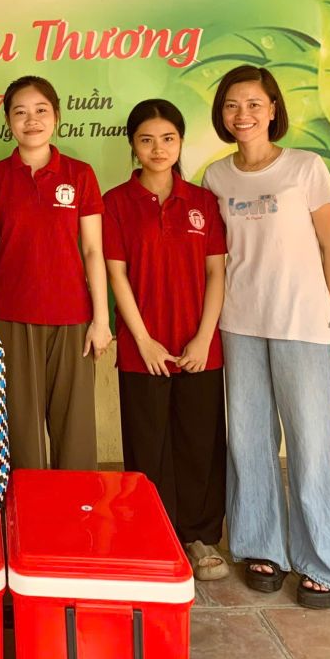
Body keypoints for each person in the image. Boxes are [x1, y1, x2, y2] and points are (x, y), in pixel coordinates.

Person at [202, 65, 330, 609]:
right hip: (241, 325)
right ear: (222, 115)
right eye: (231, 105)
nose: (242, 114)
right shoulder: (215, 178)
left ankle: (324, 564)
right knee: (248, 442)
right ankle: (261, 547)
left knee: (313, 447)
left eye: (253, 104)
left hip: (304, 324)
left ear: (272, 109)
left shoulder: (305, 168)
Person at [103, 98, 229, 581]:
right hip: (144, 349)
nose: (158, 149)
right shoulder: (116, 202)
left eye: (168, 139)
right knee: (148, 445)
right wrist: (143, 340)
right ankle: (152, 533)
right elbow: (117, 275)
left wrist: (203, 338)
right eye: (147, 140)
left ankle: (199, 538)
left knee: (199, 444)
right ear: (133, 146)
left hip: (200, 346)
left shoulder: (202, 202)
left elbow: (216, 273)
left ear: (180, 142)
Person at [0, 75, 111, 470]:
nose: (31, 120)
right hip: (11, 318)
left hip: (72, 318)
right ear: (8, 120)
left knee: (75, 433)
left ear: (56, 116)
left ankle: (76, 508)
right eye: (20, 112)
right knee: (20, 435)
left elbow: (93, 250)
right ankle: (26, 506)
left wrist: (101, 320)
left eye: (41, 110)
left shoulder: (80, 174)